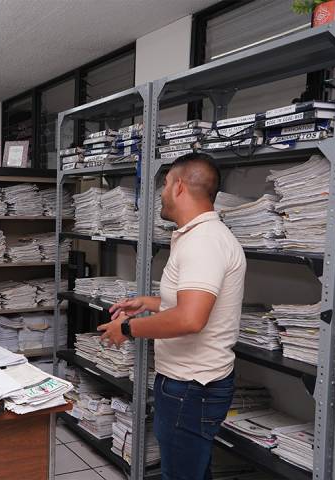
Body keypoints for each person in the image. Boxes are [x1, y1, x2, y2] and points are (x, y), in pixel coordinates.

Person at [97, 153, 246, 479]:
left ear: (179, 187)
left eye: (164, 185)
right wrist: (150, 302)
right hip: (193, 385)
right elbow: (195, 303)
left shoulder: (204, 242)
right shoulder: (199, 236)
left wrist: (128, 327)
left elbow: (191, 319)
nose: (161, 193)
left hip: (191, 388)